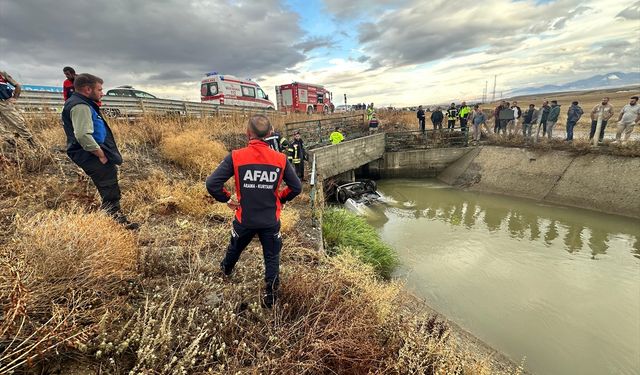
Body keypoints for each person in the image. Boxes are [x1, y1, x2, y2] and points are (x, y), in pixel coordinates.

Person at [206, 114, 302, 308]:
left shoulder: (236, 156)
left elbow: (212, 183)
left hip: (245, 219)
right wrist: (281, 198)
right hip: (269, 220)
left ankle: (225, 272)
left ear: (247, 133)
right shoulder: (281, 159)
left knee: (235, 248)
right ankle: (271, 296)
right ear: (270, 133)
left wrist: (227, 199)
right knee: (272, 256)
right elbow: (296, 187)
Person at [61, 73, 138, 229]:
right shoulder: (80, 106)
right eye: (100, 89)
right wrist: (99, 153)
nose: (102, 93)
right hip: (90, 154)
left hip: (92, 152)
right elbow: (82, 135)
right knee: (109, 188)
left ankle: (113, 220)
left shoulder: (82, 103)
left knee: (109, 185)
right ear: (88, 89)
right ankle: (115, 224)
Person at [0, 69, 37, 147]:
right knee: (1, 129)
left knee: (18, 123)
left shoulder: (2, 74)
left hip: (4, 103)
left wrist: (15, 98)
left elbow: (17, 86)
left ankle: (32, 143)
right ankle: (12, 143)